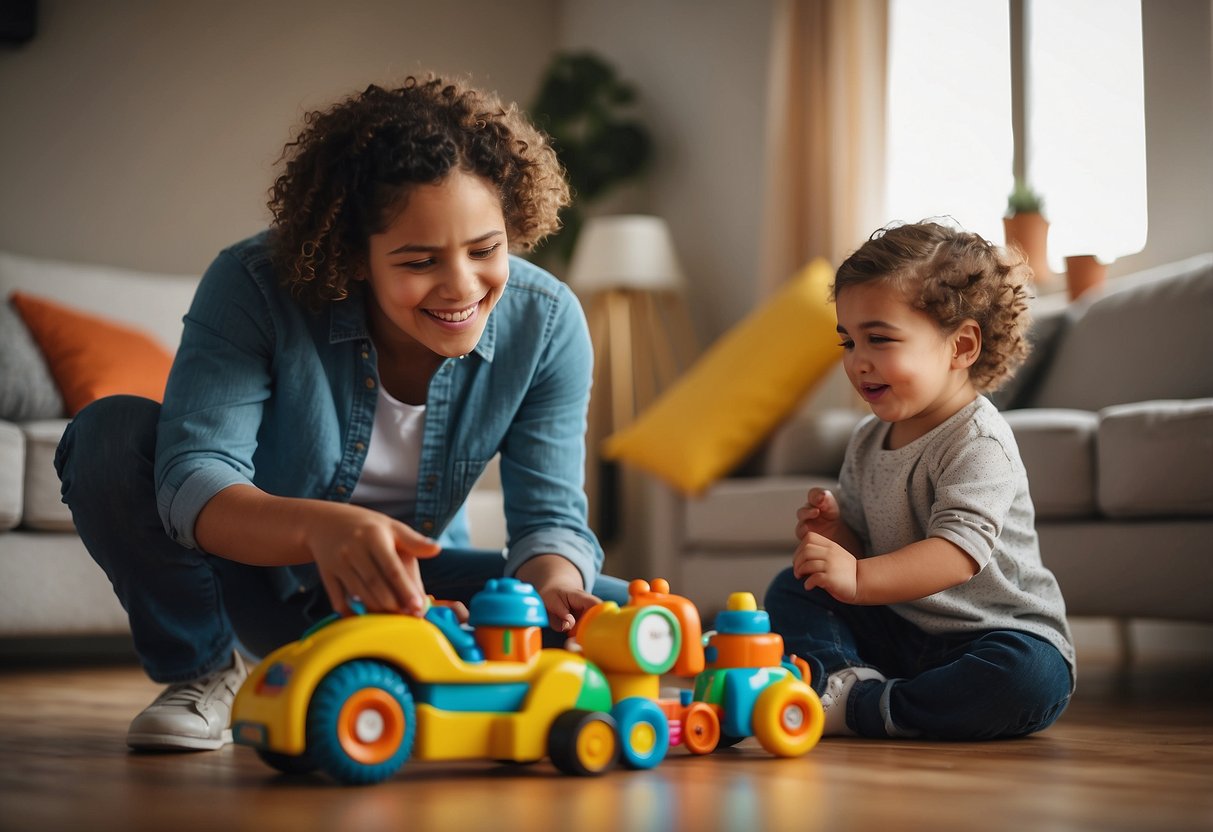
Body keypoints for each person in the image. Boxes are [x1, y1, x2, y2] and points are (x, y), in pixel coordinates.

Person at [54, 75, 628, 752]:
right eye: (419, 261)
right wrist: (321, 529)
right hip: (256, 583)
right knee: (108, 434)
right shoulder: (252, 287)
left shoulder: (548, 322)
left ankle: (430, 669)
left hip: (411, 588)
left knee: (616, 611)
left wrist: (553, 587)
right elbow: (192, 480)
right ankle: (207, 675)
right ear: (355, 255)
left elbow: (550, 522)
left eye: (485, 250)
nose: (462, 287)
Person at [764, 220, 1075, 740]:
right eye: (848, 341)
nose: (858, 362)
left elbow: (956, 554)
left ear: (962, 346)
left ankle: (862, 703)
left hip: (991, 635)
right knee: (793, 587)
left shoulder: (979, 442)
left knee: (1029, 678)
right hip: (901, 629)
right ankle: (855, 684)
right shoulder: (868, 438)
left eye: (880, 339)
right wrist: (839, 539)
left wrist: (859, 581)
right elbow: (864, 554)